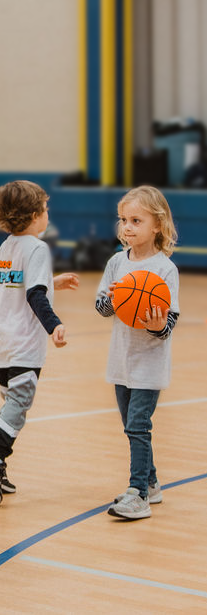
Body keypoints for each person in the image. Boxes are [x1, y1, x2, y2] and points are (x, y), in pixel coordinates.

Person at [0, 180, 79, 503]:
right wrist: (54, 325)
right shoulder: (37, 248)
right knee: (19, 405)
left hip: (2, 344)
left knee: (12, 405)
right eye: (45, 209)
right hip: (24, 346)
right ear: (34, 215)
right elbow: (34, 295)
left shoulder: (7, 246)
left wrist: (51, 281)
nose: (48, 215)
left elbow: (20, 287)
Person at [95, 185, 179, 520]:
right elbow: (102, 307)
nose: (127, 227)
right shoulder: (116, 263)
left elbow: (168, 326)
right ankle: (153, 483)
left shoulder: (164, 269)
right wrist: (114, 300)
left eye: (136, 220)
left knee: (138, 426)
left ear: (157, 224)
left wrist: (155, 323)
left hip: (149, 364)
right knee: (131, 426)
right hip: (121, 362)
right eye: (123, 220)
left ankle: (138, 493)